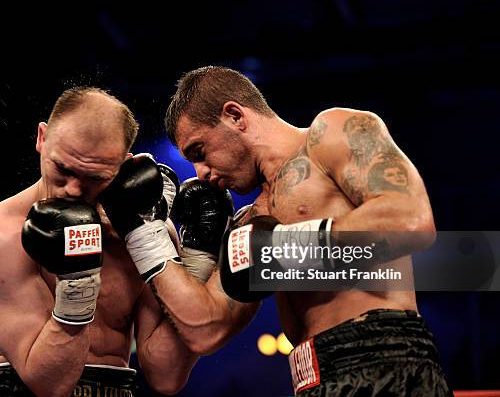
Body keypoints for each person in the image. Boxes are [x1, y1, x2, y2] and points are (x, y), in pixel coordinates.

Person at [131, 66, 450, 395]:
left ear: (234, 115)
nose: (201, 173)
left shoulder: (330, 134)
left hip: (384, 362)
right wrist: (144, 233)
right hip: (310, 379)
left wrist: (285, 249)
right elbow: (203, 333)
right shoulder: (249, 222)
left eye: (200, 152)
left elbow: (411, 221)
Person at [0, 86, 198, 397]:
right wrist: (78, 283)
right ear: (41, 139)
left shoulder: (143, 235)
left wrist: (197, 261)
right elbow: (49, 385)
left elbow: (166, 377)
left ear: (123, 167)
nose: (73, 189)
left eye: (95, 177)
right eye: (63, 169)